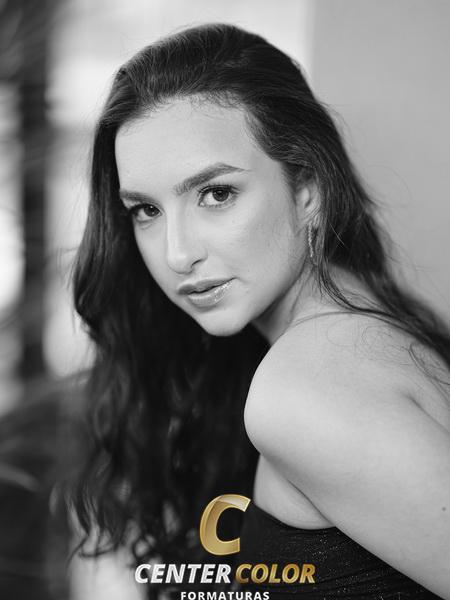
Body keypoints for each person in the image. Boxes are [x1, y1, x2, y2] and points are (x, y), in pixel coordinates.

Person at [70, 23, 450, 599]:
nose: (177, 254)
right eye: (146, 210)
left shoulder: (305, 387)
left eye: (217, 194)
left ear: (308, 190)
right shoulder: (371, 336)